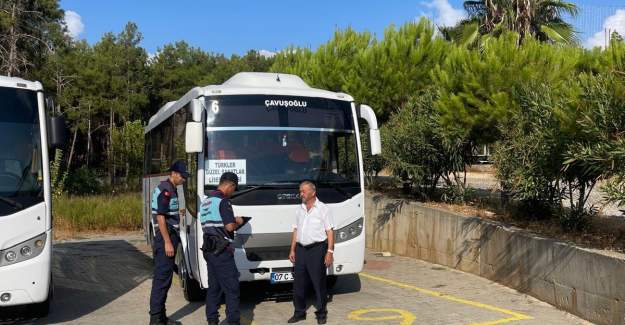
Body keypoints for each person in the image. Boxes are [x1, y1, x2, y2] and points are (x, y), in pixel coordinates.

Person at [199, 172, 244, 325]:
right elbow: (229, 226)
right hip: (222, 251)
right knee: (232, 288)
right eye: (234, 188)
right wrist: (238, 221)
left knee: (214, 288)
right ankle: (233, 321)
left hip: (209, 250)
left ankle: (212, 320)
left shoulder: (206, 201)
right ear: (230, 185)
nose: (233, 192)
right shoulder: (223, 201)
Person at [288, 180, 335, 325]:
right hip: (301, 250)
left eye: (303, 191)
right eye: (300, 190)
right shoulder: (300, 209)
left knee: (318, 283)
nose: (300, 193)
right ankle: (299, 312)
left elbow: (330, 231)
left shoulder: (323, 209)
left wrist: (330, 251)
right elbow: (296, 230)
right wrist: (292, 249)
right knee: (299, 284)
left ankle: (321, 313)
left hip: (317, 249)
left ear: (313, 192)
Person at [148, 160, 188, 325]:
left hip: (170, 235)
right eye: (183, 176)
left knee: (166, 279)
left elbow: (167, 212)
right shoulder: (166, 190)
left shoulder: (171, 188)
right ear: (174, 173)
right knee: (161, 279)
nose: (184, 180)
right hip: (166, 237)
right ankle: (156, 319)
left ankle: (161, 317)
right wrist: (167, 242)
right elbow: (160, 217)